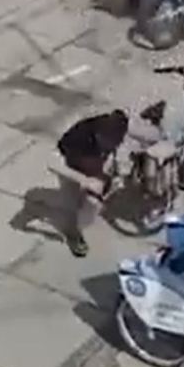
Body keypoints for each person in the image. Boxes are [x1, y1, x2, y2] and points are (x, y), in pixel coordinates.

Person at [54, 109, 130, 257]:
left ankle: (94, 196)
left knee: (99, 193)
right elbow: (54, 164)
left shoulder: (115, 130)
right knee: (84, 203)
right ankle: (74, 234)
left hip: (93, 162)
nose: (114, 144)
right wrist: (85, 180)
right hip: (74, 164)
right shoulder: (79, 137)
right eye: (109, 142)